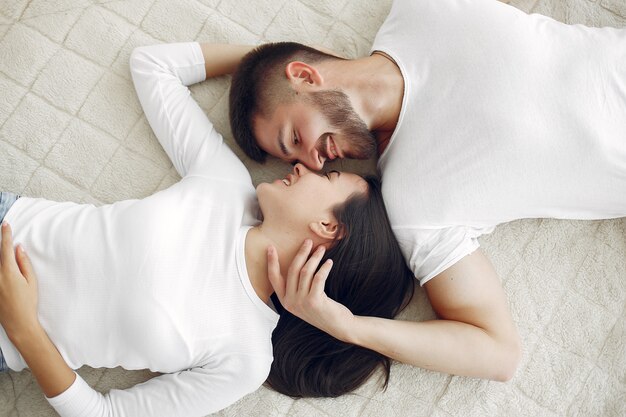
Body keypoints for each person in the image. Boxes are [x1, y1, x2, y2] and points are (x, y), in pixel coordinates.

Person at [0, 42, 414, 417]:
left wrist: (24, 330)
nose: (304, 165)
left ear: (328, 226)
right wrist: (275, 65)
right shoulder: (224, 184)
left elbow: (102, 415)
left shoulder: (245, 358)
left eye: (327, 178)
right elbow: (152, 66)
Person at [222, 0, 626, 381]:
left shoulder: (421, 9)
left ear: (305, 76)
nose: (312, 163)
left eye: (293, 137)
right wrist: (348, 326)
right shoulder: (412, 203)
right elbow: (499, 354)